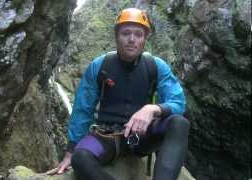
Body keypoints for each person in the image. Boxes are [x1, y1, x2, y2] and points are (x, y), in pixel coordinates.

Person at [54, 8, 189, 180]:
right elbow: (82, 110)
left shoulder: (155, 66)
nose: (132, 39)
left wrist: (153, 109)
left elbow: (178, 102)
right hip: (107, 137)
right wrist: (70, 151)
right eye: (126, 33)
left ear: (145, 39)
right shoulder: (100, 66)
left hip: (142, 136)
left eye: (138, 34)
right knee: (80, 159)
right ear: (116, 36)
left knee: (179, 123)